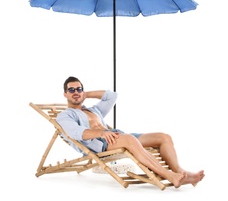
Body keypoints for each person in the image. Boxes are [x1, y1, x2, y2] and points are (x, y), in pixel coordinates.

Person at [56, 76, 205, 188]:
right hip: (100, 144)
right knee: (128, 139)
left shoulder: (94, 110)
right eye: (71, 90)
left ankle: (180, 171)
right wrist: (102, 134)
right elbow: (76, 133)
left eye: (79, 89)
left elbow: (112, 96)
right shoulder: (65, 115)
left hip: (116, 135)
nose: (76, 92)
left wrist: (86, 94)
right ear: (65, 94)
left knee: (164, 137)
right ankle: (169, 175)